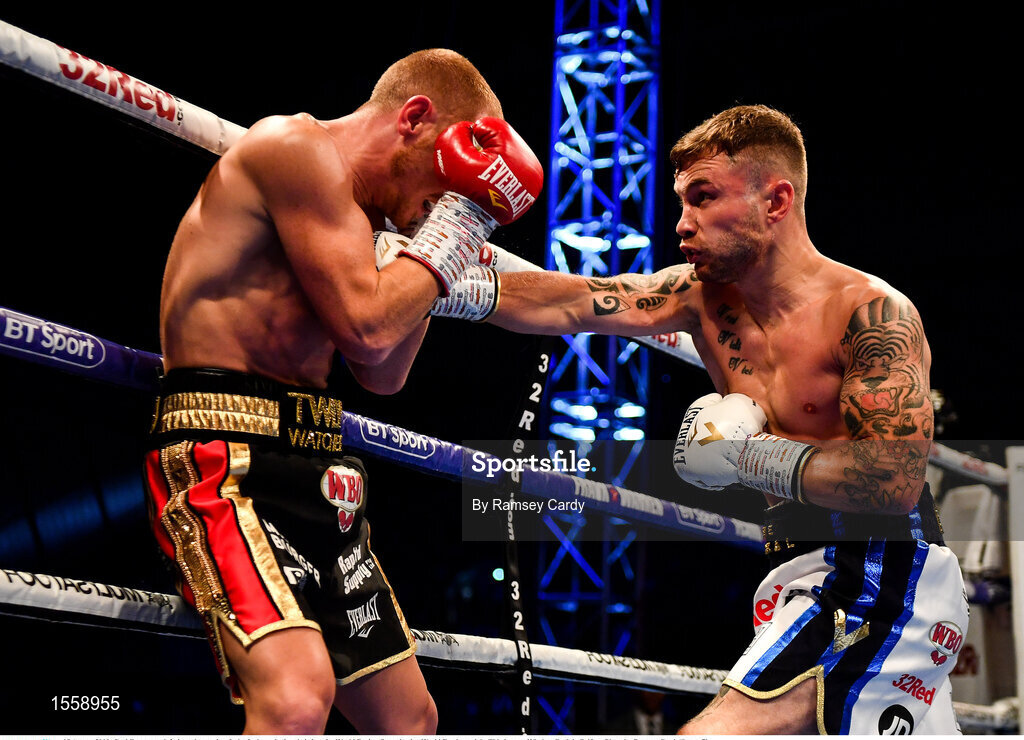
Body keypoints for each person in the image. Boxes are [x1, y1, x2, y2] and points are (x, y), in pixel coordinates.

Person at [461, 105, 966, 734]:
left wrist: (747, 457)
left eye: (704, 198)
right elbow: (575, 301)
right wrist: (440, 281)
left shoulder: (871, 314)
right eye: (681, 202)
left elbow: (893, 479)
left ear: (776, 201)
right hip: (797, 569)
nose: (681, 224)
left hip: (880, 575)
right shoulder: (701, 299)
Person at [142, 48, 542, 734]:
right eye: (445, 189)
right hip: (225, 454)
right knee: (297, 700)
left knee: (410, 719)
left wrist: (427, 239)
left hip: (319, 470)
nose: (442, 210)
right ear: (415, 119)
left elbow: (383, 373)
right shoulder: (293, 147)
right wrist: (464, 221)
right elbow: (365, 328)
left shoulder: (372, 226)